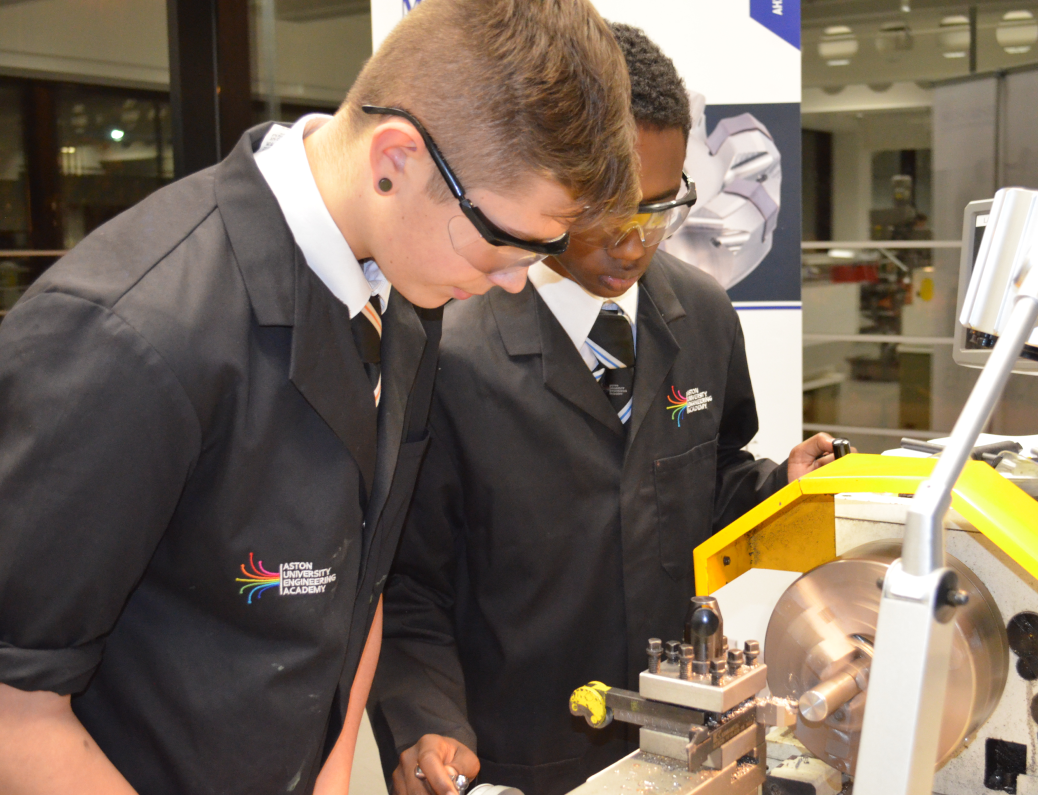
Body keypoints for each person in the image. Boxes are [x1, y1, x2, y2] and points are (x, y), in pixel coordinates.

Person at [0, 2, 638, 794]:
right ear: (395, 158)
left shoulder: (402, 291)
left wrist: (333, 772)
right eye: (506, 241)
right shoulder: (129, 333)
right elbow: (13, 708)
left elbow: (360, 571)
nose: (515, 279)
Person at [369, 23, 843, 795]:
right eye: (610, 208)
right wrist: (426, 722)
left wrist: (778, 484)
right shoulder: (443, 347)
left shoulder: (704, 315)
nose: (635, 243)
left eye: (662, 208)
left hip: (682, 740)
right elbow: (405, 580)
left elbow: (706, 480)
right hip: (514, 754)